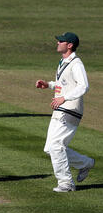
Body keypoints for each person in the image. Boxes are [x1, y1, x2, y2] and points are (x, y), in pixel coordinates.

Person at [36, 32, 95, 192]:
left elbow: (83, 86)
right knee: (50, 148)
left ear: (69, 45)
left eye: (61, 41)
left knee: (56, 147)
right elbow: (65, 83)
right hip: (60, 109)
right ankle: (85, 163)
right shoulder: (64, 61)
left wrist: (64, 98)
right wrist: (48, 85)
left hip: (70, 109)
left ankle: (66, 183)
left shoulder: (76, 64)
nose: (58, 43)